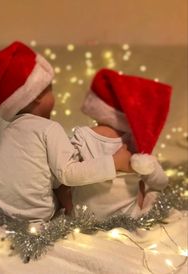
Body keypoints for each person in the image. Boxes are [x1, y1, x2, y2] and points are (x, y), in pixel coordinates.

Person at [0, 42, 133, 222]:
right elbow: (68, 174)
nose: (53, 97)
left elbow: (26, 168)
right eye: (50, 90)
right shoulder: (50, 128)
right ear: (37, 94)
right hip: (32, 215)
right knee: (63, 185)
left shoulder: (8, 130)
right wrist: (114, 162)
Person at [68, 69, 172, 220]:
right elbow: (161, 182)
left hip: (83, 217)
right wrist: (148, 166)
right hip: (128, 219)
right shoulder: (136, 144)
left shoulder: (81, 136)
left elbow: (65, 172)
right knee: (148, 189)